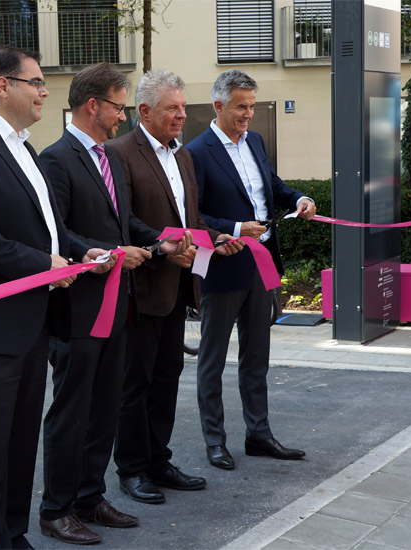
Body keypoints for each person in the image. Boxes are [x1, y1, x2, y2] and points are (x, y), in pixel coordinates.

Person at [0, 45, 110, 549]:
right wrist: (43, 266)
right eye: (36, 82)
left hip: (30, 321)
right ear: (3, 85)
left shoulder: (23, 147)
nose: (45, 91)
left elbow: (45, 229)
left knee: (18, 443)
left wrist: (79, 251)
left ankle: (12, 535)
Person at [37, 63, 187, 545]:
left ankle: (89, 496)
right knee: (72, 410)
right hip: (80, 309)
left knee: (105, 408)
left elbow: (128, 227)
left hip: (119, 305)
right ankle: (56, 509)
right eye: (118, 108)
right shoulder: (56, 159)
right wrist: (93, 253)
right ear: (92, 105)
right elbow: (55, 230)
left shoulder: (107, 157)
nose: (122, 118)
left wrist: (163, 243)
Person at [110, 70, 242, 503]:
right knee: (135, 383)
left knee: (167, 377)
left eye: (184, 107)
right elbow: (123, 220)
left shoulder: (182, 156)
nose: (182, 115)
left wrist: (216, 238)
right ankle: (131, 468)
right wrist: (161, 245)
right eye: (173, 108)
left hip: (178, 288)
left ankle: (157, 460)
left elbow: (191, 219)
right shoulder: (119, 153)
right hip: (140, 288)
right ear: (144, 111)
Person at [186, 69, 316, 469]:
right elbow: (195, 215)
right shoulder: (196, 152)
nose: (248, 114)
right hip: (224, 267)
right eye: (241, 107)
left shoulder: (256, 141)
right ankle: (215, 441)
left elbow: (271, 186)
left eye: (252, 106)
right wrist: (235, 228)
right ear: (218, 105)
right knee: (212, 359)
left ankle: (258, 435)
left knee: (257, 357)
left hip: (262, 264)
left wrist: (300, 198)